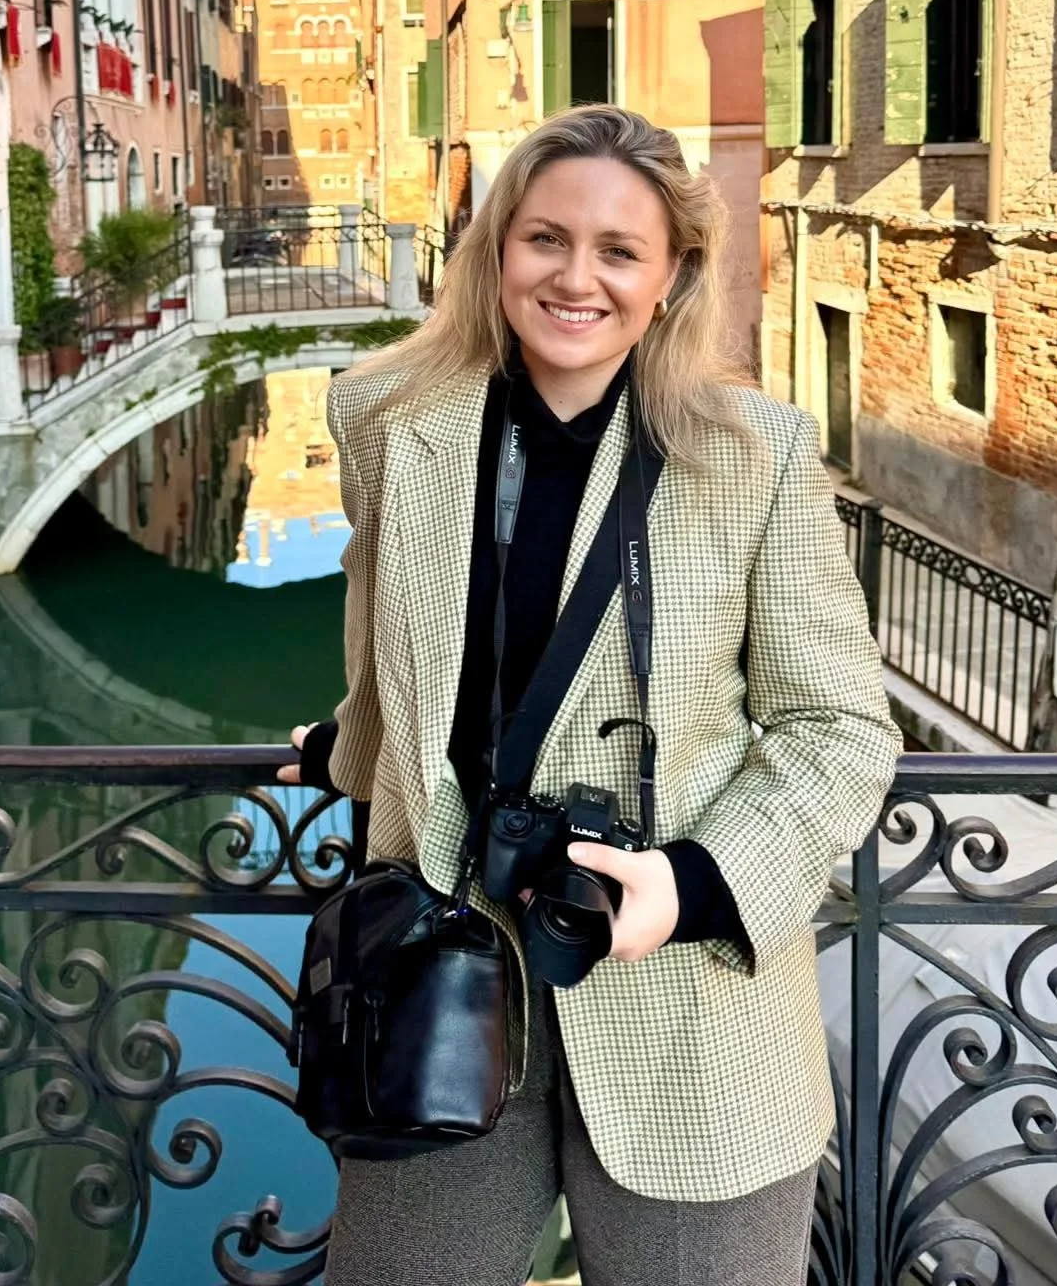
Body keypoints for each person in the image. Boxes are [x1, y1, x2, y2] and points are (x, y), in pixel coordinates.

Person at [278, 106, 900, 1286]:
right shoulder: (385, 421)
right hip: (441, 972)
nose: (577, 278)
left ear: (670, 277)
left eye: (620, 250)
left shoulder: (753, 452)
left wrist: (698, 883)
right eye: (545, 238)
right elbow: (387, 652)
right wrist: (344, 747)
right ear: (495, 248)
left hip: (689, 1000)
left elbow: (841, 726)